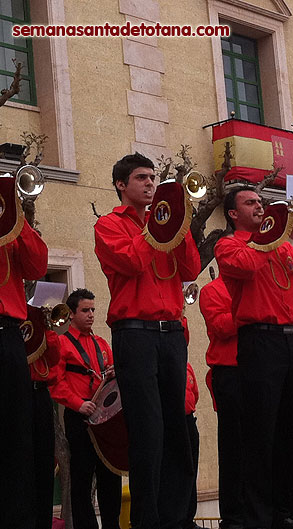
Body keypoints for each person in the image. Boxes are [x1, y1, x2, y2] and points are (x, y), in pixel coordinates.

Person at [215, 186, 293, 529]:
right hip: (259, 341)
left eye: (260, 202)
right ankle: (260, 517)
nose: (259, 206)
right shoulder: (229, 245)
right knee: (260, 432)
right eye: (250, 203)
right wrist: (267, 237)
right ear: (234, 214)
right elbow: (246, 268)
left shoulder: (284, 245)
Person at [94, 152, 201, 529]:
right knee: (147, 430)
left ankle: (178, 519)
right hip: (134, 334)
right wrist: (156, 228)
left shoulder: (166, 223)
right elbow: (133, 263)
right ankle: (148, 521)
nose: (151, 184)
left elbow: (189, 268)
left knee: (177, 427)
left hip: (171, 333)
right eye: (142, 178)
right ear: (122, 184)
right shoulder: (109, 224)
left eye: (153, 178)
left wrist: (180, 222)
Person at [49, 288, 122, 529]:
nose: (91, 314)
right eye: (85, 310)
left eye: (92, 310)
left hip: (103, 419)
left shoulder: (101, 343)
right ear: (71, 314)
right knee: (82, 479)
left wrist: (113, 373)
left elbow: (112, 377)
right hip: (79, 418)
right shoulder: (61, 343)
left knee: (110, 477)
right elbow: (56, 384)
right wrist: (79, 404)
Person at [0, 197, 48, 528]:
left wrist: (16, 220)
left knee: (15, 435)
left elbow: (37, 267)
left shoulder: (11, 223)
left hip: (6, 334)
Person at [199, 276, 244, 529]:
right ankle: (235, 516)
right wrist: (249, 310)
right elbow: (221, 326)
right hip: (229, 371)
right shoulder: (211, 291)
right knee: (233, 447)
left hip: (255, 368)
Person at [30, 328, 61, 529]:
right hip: (17, 390)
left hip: (39, 393)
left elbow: (53, 356)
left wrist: (43, 325)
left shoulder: (36, 324)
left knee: (44, 463)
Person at [183, 361, 202, 529]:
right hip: (174, 422)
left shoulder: (188, 366)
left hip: (189, 420)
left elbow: (195, 394)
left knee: (191, 471)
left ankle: (188, 519)